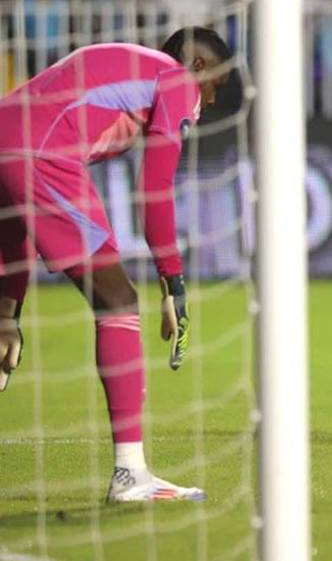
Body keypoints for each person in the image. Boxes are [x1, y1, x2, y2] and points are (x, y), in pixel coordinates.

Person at [0, 27, 233, 501]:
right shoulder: (176, 80)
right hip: (43, 154)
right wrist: (173, 282)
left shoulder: (130, 62)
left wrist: (8, 311)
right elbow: (154, 190)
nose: (208, 102)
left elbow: (17, 210)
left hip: (12, 140)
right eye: (215, 88)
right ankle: (130, 475)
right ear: (199, 67)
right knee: (118, 301)